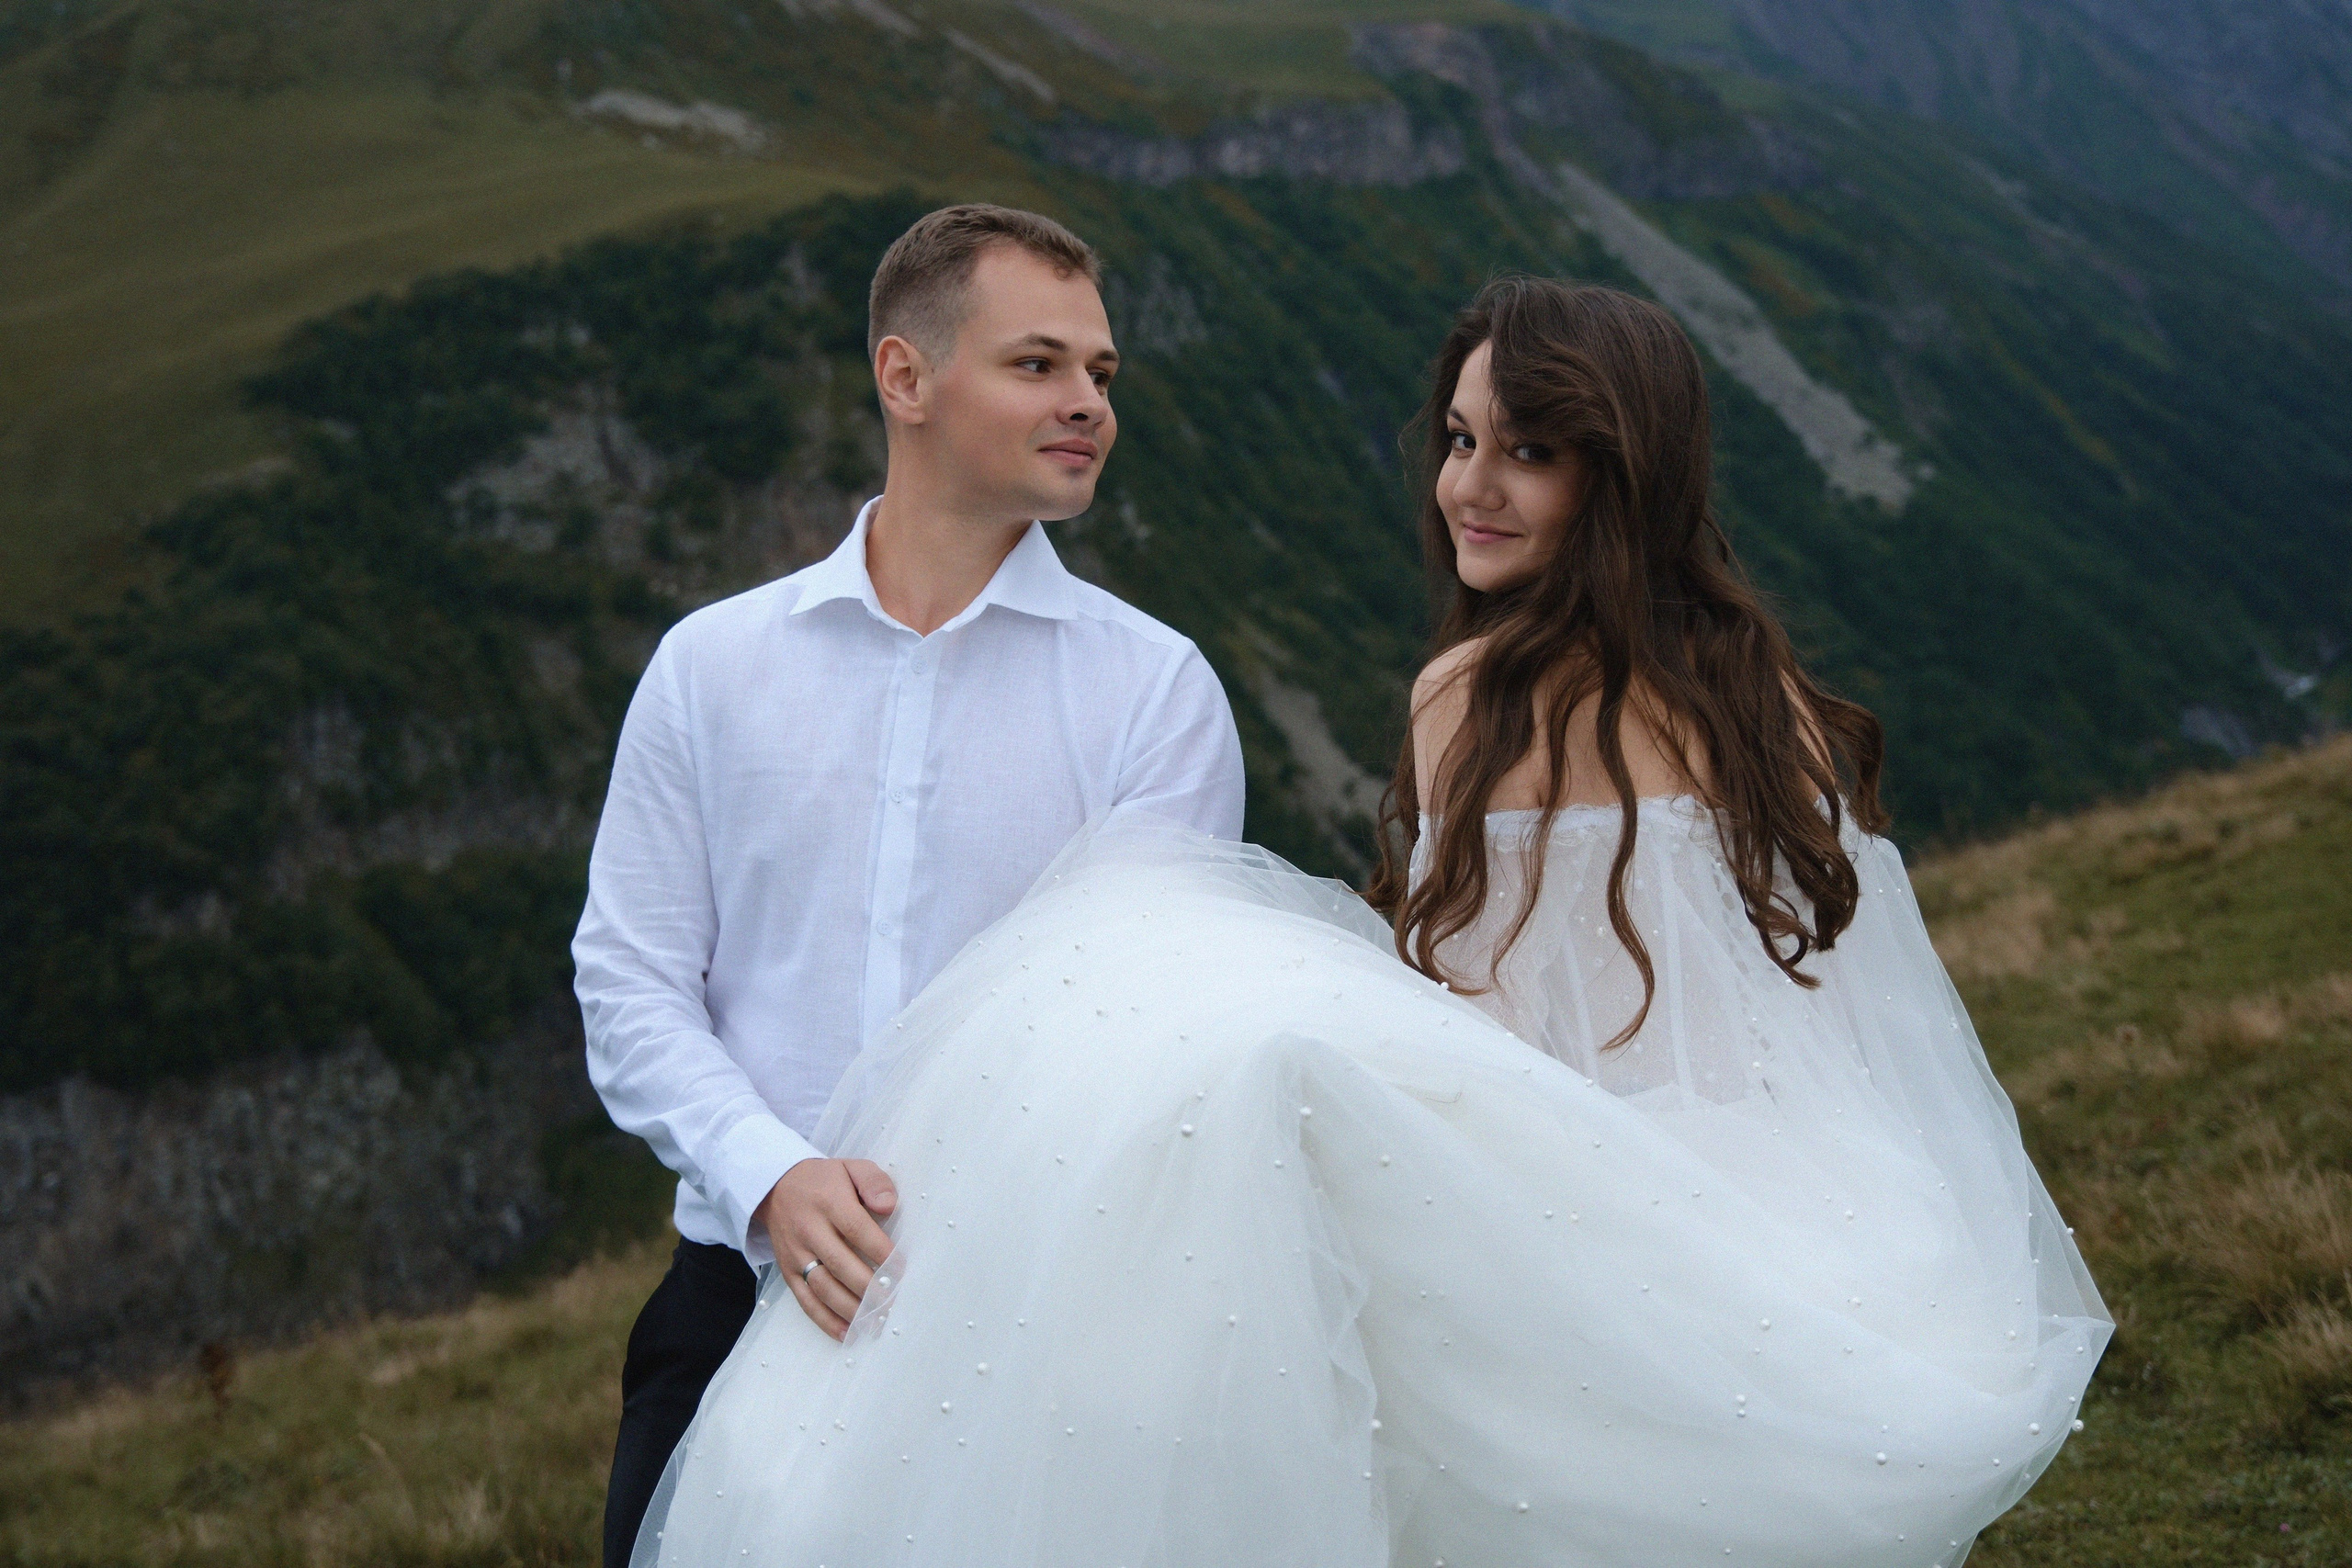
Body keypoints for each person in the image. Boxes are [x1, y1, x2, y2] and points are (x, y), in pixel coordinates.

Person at [628, 278, 2109, 1567]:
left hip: (1587, 1185)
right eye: (1464, 441)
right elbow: (1821, 998)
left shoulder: (1469, 695)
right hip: (1796, 1190)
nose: (1474, 486)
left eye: (1530, 452)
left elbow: (1479, 1027)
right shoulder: (1761, 685)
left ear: (1623, 470)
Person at [571, 204, 1246, 1568]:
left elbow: (1150, 1047)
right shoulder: (712, 668)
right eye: (1039, 365)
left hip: (1032, 1338)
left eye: (1101, 376)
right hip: (730, 1297)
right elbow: (630, 982)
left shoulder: (1156, 692)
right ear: (906, 377)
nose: (1087, 406)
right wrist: (772, 1178)